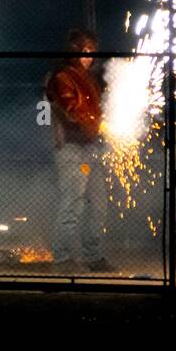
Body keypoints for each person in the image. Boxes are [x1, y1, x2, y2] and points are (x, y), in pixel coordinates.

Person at [45, 28, 113, 274]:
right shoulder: (62, 77)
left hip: (90, 149)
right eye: (85, 52)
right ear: (74, 51)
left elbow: (96, 111)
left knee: (98, 204)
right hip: (72, 149)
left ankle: (93, 256)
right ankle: (62, 260)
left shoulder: (89, 79)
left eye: (92, 53)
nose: (90, 57)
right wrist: (97, 124)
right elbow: (69, 110)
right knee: (73, 203)